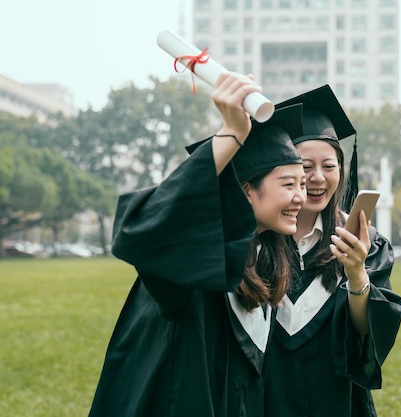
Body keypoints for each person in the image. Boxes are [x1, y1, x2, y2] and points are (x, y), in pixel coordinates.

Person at [87, 73, 307, 417]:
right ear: (246, 190)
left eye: (302, 184)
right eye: (288, 184)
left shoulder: (261, 260)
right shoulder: (192, 258)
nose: (301, 197)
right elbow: (142, 230)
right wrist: (230, 135)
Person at [263, 85, 401, 417]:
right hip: (266, 396)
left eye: (329, 166)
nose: (317, 178)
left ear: (342, 171)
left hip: (338, 401)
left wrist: (356, 272)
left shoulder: (364, 242)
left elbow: (365, 339)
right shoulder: (259, 240)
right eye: (304, 166)